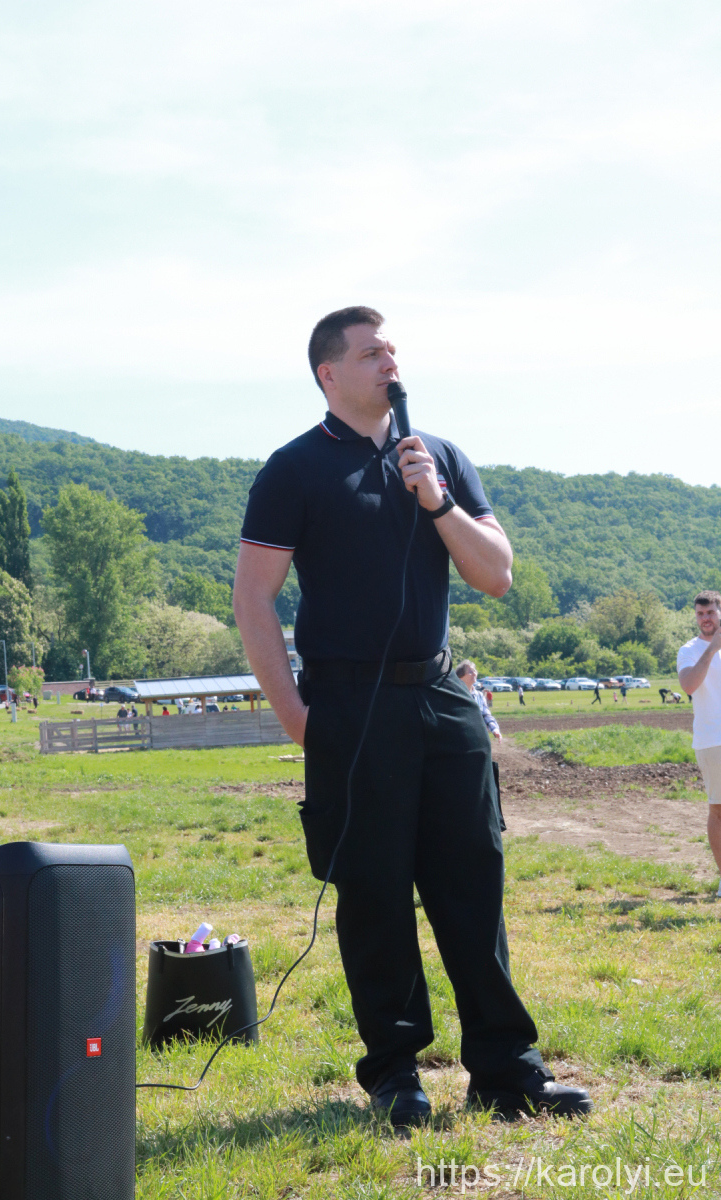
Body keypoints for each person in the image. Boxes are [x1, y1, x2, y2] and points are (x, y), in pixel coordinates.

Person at [233, 305, 591, 1126]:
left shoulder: (441, 457)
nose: (389, 361)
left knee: (475, 887)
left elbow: (496, 575)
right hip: (350, 704)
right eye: (371, 352)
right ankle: (395, 1075)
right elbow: (253, 599)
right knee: (375, 896)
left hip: (442, 695)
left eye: (392, 348)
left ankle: (507, 1070)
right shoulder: (293, 469)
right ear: (329, 374)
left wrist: (436, 500)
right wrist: (298, 718)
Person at [677, 590, 721, 900]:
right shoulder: (689, 650)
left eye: (710, 612)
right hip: (712, 739)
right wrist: (714, 647)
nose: (705, 618)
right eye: (700, 614)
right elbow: (689, 685)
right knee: (718, 810)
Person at [455, 661, 501, 741]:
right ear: (460, 677)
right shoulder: (454, 695)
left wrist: (495, 729)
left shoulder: (479, 695)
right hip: (459, 738)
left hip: (477, 738)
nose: (474, 673)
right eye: (470, 672)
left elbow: (486, 715)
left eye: (474, 670)